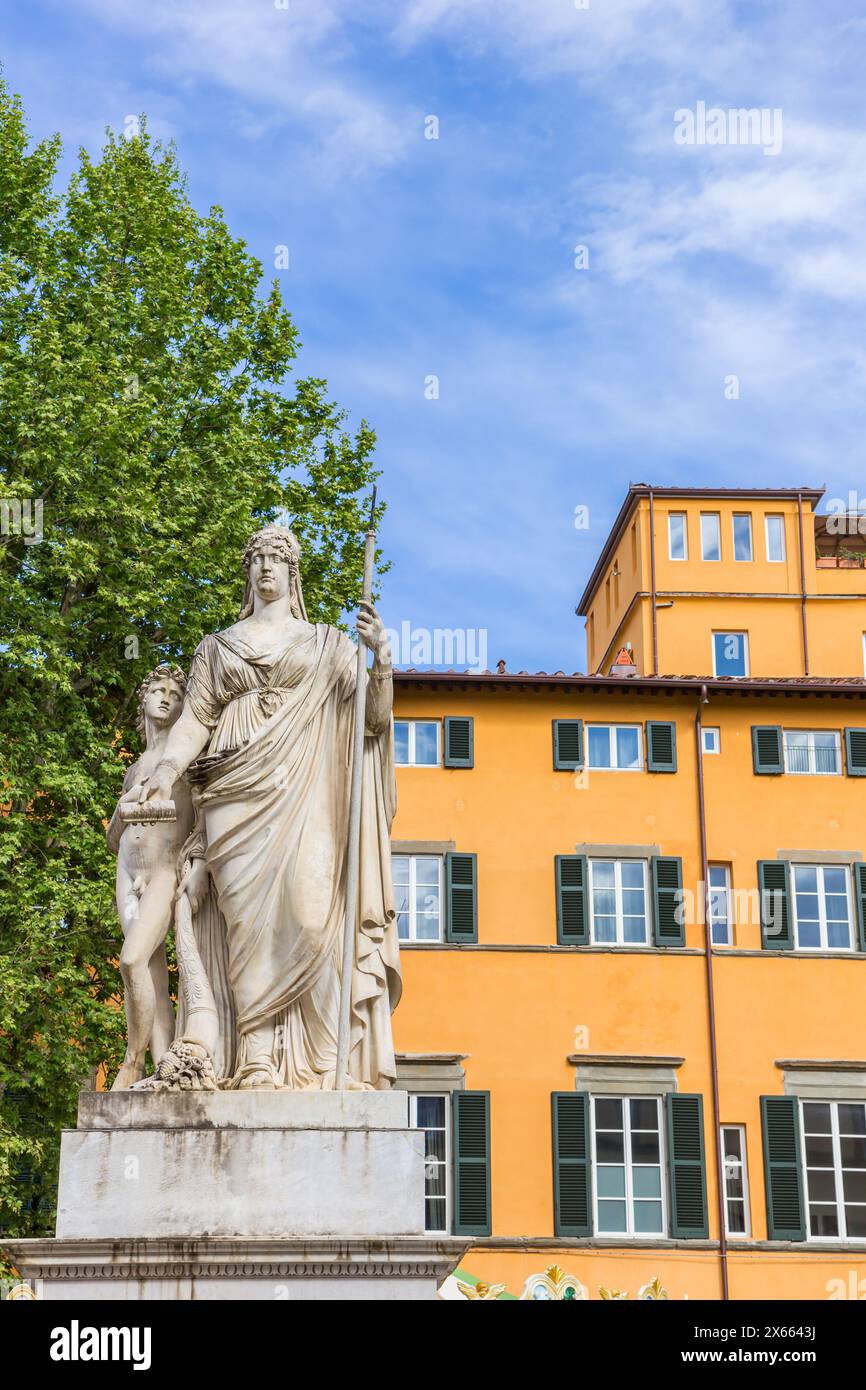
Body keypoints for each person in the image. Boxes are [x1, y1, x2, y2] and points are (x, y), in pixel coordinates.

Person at [131, 525, 400, 1090]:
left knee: (312, 913)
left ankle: (326, 1061)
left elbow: (372, 722)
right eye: (257, 559)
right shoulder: (218, 647)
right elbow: (194, 723)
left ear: (293, 572)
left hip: (307, 791)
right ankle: (254, 1055)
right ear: (247, 572)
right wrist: (164, 771)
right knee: (244, 923)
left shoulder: (327, 644)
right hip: (233, 790)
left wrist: (381, 659)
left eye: (278, 558)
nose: (267, 568)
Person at [107, 664, 194, 1090]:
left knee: (131, 960)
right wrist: (124, 805)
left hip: (165, 868)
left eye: (175, 694)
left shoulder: (185, 759)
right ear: (143, 699)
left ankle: (132, 1061)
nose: (165, 698)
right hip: (127, 869)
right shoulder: (136, 764)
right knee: (152, 974)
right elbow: (112, 836)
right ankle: (163, 1066)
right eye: (157, 690)